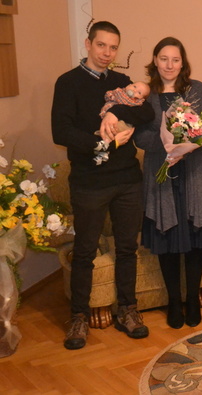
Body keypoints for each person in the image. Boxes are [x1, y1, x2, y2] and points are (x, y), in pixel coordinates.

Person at [51, 21, 154, 349]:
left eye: (113, 47)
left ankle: (127, 310)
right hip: (89, 182)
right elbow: (60, 132)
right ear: (88, 44)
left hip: (127, 179)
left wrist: (115, 113)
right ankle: (79, 317)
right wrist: (100, 141)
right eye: (101, 45)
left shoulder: (123, 83)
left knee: (127, 248)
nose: (107, 53)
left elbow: (147, 113)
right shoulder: (67, 82)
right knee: (84, 251)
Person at [132, 37, 202, 329]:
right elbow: (139, 136)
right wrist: (168, 143)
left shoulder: (197, 89)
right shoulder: (145, 94)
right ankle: (173, 301)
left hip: (196, 172)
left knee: (197, 239)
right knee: (167, 237)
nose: (169, 65)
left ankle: (192, 299)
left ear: (183, 63)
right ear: (155, 61)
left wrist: (187, 147)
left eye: (175, 59)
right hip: (162, 172)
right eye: (163, 59)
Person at [93, 81, 151, 165]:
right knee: (107, 131)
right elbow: (107, 95)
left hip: (122, 124)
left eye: (139, 93)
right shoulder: (118, 91)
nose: (134, 90)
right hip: (107, 118)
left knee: (114, 131)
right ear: (129, 85)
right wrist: (111, 95)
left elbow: (145, 112)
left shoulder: (135, 102)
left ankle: (104, 148)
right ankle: (104, 150)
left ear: (142, 99)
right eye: (134, 87)